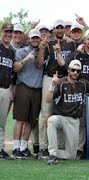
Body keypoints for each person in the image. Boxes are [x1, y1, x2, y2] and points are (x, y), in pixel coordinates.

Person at [36, 19, 77, 159]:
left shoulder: (71, 43)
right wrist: (42, 48)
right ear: (54, 30)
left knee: (61, 113)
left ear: (65, 29)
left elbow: (67, 65)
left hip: (65, 79)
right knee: (46, 113)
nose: (59, 30)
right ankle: (43, 147)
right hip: (49, 77)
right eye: (57, 28)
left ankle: (59, 146)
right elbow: (40, 64)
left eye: (62, 28)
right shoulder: (49, 43)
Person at [11, 29, 43, 159]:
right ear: (29, 39)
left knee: (31, 120)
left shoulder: (42, 51)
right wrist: (25, 59)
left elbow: (40, 65)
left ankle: (24, 147)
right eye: (33, 38)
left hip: (37, 89)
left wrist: (40, 51)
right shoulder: (21, 51)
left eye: (37, 38)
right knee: (20, 119)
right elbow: (16, 68)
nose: (35, 40)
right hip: (23, 87)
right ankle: (15, 147)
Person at [0, 22, 15, 159]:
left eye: (10, 32)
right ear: (1, 32)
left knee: (2, 122)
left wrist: (10, 89)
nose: (8, 34)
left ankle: (0, 149)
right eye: (6, 31)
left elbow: (10, 72)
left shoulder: (11, 51)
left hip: (5, 89)